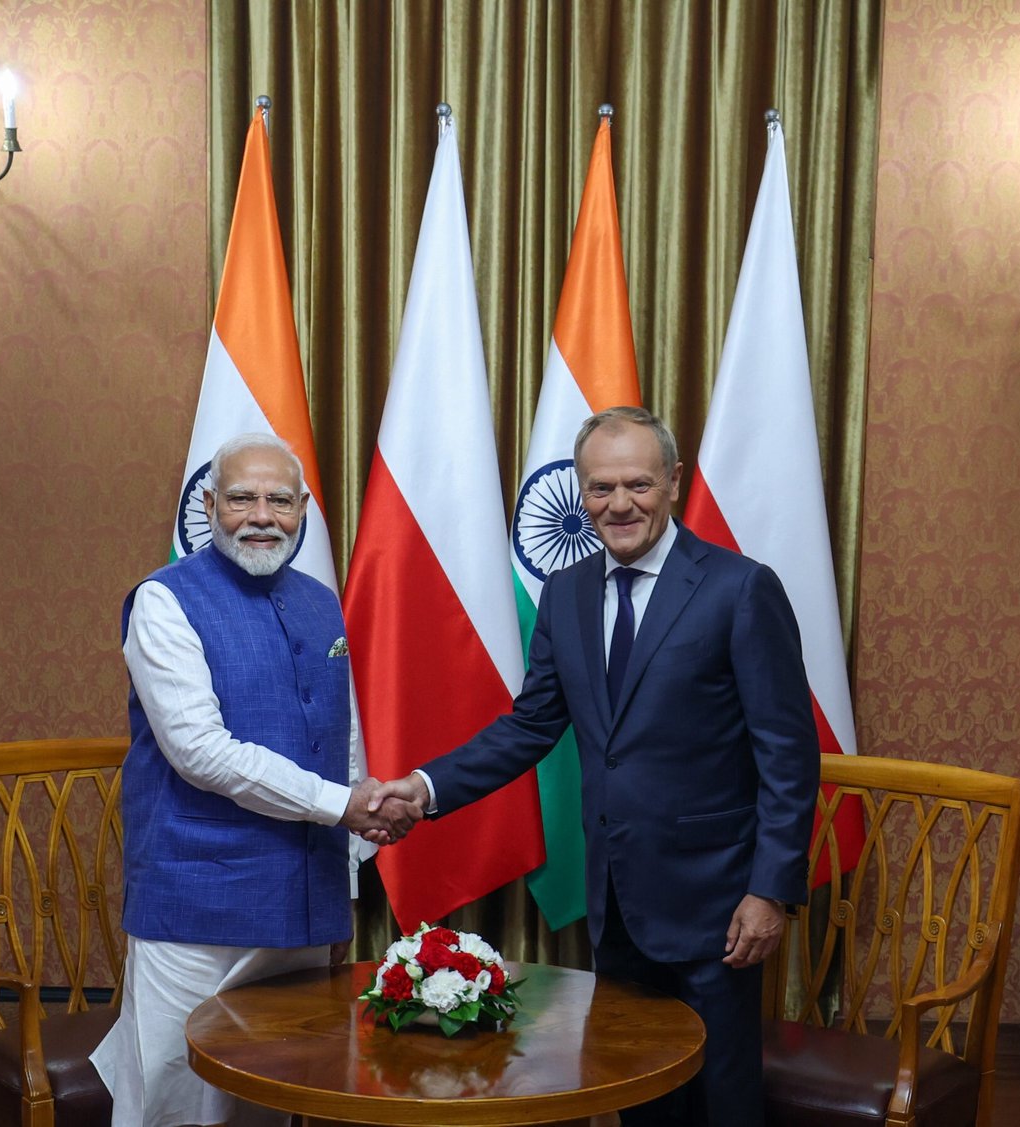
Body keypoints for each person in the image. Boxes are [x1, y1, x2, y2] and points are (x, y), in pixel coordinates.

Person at [374, 406, 821, 1127]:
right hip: (616, 901)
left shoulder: (740, 589)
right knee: (638, 1090)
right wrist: (423, 789)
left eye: (639, 484)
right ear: (580, 492)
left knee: (722, 1099)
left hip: (718, 905)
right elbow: (531, 724)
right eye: (602, 487)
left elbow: (789, 756)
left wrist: (769, 890)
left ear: (673, 482)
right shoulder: (568, 591)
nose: (620, 504)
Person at [91, 433, 420, 1127]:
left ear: (303, 509)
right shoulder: (163, 600)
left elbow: (345, 739)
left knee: (271, 1099)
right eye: (241, 497)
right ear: (209, 504)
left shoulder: (319, 601)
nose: (260, 514)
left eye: (279, 499)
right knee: (173, 1102)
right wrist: (344, 807)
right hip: (194, 908)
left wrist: (347, 877)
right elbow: (201, 752)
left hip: (302, 905)